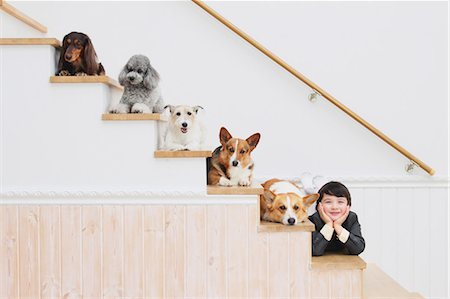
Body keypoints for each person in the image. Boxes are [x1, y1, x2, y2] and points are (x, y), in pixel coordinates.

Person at [308, 181, 365, 256]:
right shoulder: (313, 220)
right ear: (319, 206)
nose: (334, 207)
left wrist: (338, 226)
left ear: (348, 206)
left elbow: (358, 248)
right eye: (328, 202)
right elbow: (315, 250)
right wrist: (329, 225)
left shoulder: (351, 218)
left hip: (345, 263)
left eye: (340, 202)